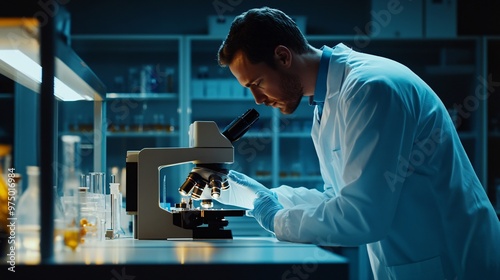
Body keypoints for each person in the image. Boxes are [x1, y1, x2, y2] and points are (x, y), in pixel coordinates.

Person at [207, 6, 500, 280]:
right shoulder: (325, 102)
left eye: (256, 83)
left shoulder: (370, 89)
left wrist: (275, 218)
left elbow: (363, 216)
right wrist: (260, 196)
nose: (257, 100)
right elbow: (337, 198)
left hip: (456, 263)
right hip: (416, 263)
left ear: (283, 57)